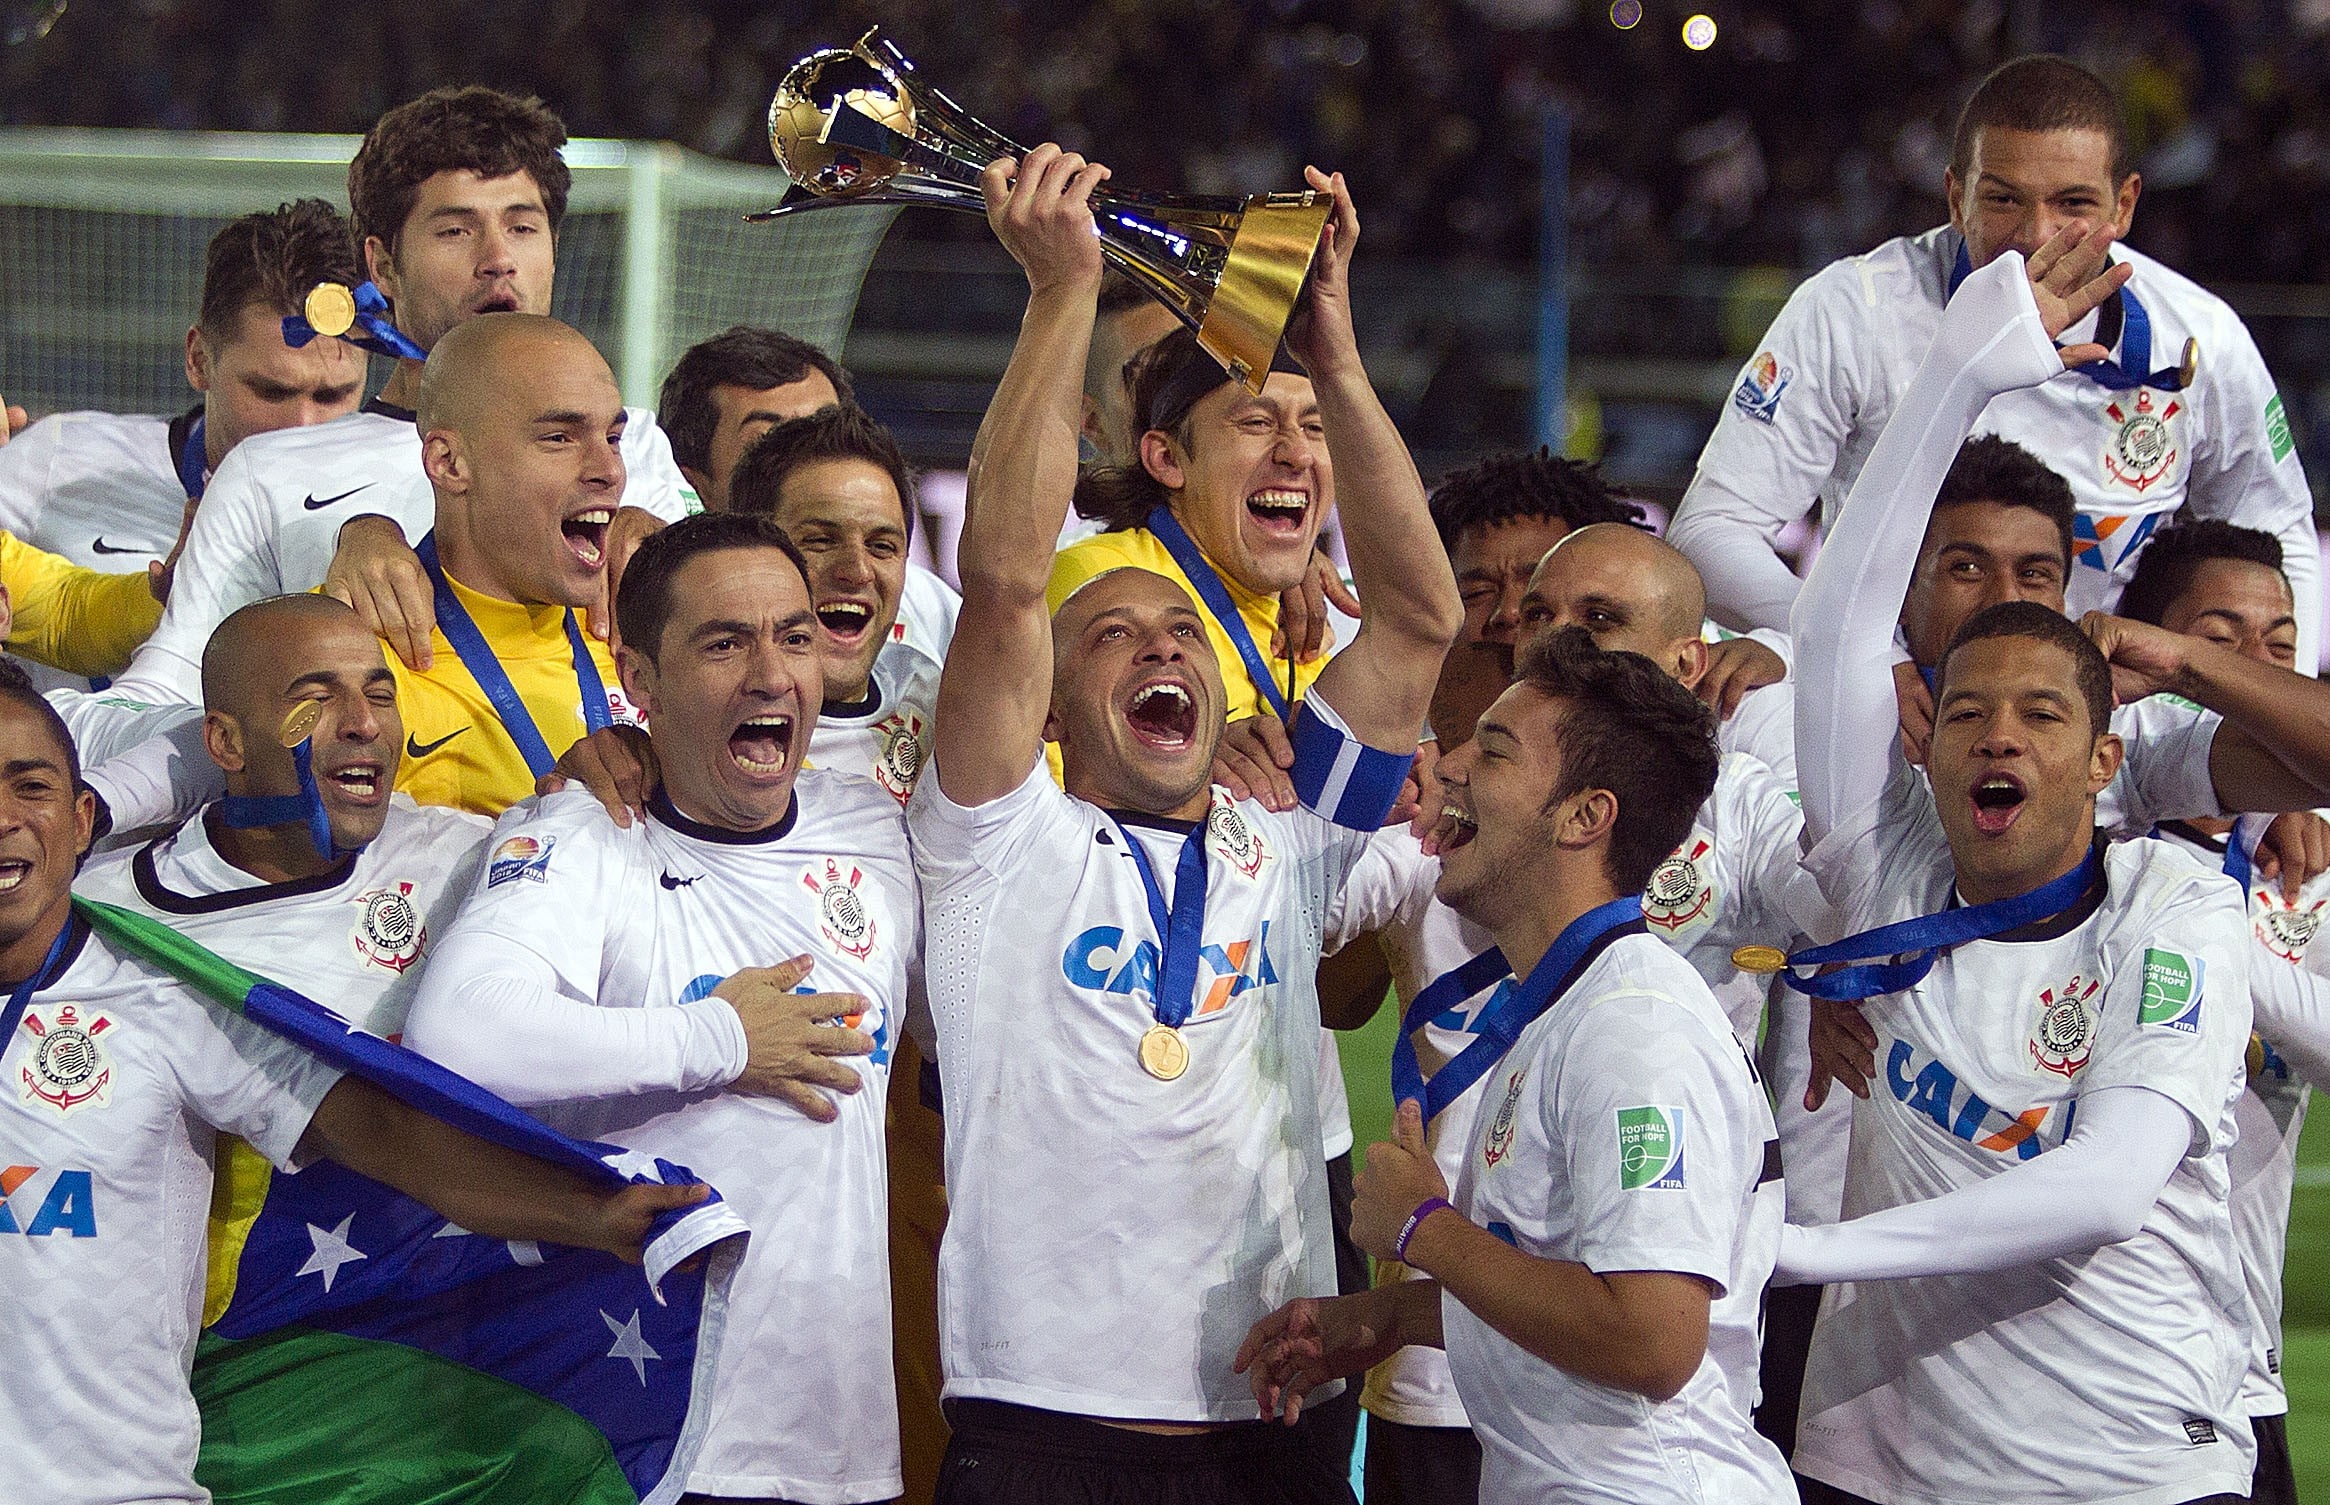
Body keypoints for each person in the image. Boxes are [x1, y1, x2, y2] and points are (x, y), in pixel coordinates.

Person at [909, 143, 1454, 1501]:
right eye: (1114, 633)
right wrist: (1059, 295)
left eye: (1179, 631)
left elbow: (1420, 622)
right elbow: (1001, 582)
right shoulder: (992, 842)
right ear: (1044, 698)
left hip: (1271, 1396)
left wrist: (1336, 360)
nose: (1163, 643)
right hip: (1048, 1411)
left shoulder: (1285, 834)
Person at [1782, 224, 2255, 1505]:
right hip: (1871, 1468)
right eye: (1971, 710)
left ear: (2106, 760)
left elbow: (2101, 1190)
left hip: (2120, 1470)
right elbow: (1832, 623)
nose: (2000, 733)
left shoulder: (2173, 907)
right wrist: (1954, 374)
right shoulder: (1885, 849)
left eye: (2043, 715)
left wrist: (1789, 1243)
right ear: (1924, 739)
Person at [0, 659, 704, 1505]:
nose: (2, 819)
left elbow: (378, 1130)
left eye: (27, 786)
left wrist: (588, 1209)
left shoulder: (165, 988)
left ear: (82, 820)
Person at [407, 511, 916, 1504]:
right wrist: (720, 1036)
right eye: (724, 641)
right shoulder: (586, 829)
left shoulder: (876, 826)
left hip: (837, 1445)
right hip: (631, 1440)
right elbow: (458, 1030)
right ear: (637, 679)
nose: (771, 672)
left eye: (794, 635)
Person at [1241, 628, 1793, 1505]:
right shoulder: (1567, 1006)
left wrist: (1424, 1228)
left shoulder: (1633, 1030)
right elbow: (1567, 1289)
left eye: (1492, 752)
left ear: (1585, 815)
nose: (1448, 766)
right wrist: (1385, 1315)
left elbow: (1651, 1340)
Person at [1668, 55, 2319, 664]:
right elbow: (1709, 531)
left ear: (2124, 205)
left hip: (2101, 723)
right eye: (2004, 199)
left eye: (2074, 204)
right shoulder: (1854, 309)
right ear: (1956, 199)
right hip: (1890, 719)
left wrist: (2273, 711)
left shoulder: (2201, 339)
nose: (2037, 235)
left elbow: (2283, 538)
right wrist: (1858, 664)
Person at [110, 86, 697, 708]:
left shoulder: (637, 451)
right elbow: (168, 703)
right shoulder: (269, 474)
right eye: (454, 230)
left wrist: (674, 557)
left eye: (523, 227)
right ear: (384, 268)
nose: (498, 260)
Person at [2115, 519, 2321, 1505]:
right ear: (2149, 650)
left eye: (2278, 649)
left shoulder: (2305, 866)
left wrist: (2206, 926)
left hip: (2235, 1372)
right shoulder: (2064, 832)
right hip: (2046, 1369)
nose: (2255, 672)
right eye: (2218, 641)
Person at [0, 200, 369, 691]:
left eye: (332, 395)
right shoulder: (57, 461)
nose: (301, 427)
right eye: (270, 391)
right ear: (198, 359)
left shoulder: (409, 497)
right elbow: (64, 611)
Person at [384, 313, 644, 817]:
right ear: (449, 463)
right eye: (559, 438)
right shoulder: (362, 663)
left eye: (612, 438)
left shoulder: (650, 629)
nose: (609, 471)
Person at [657, 325, 960, 673]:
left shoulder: (925, 606)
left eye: (824, 428)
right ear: (694, 486)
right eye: (768, 439)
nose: (806, 458)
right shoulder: (660, 613)